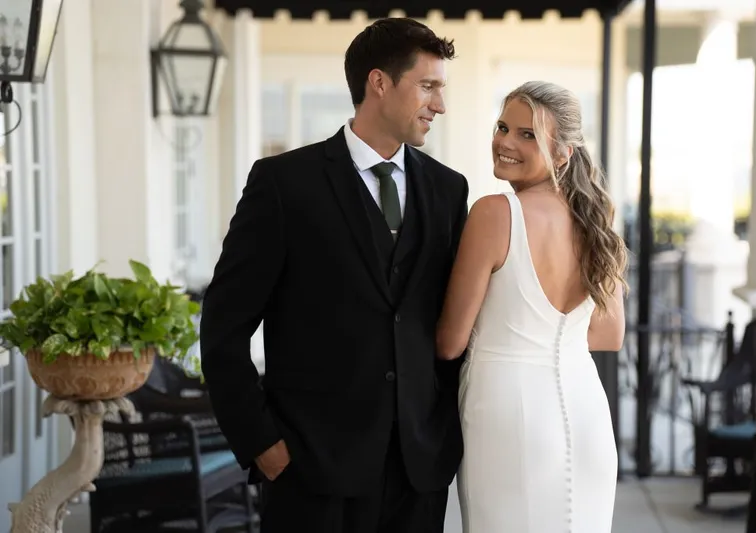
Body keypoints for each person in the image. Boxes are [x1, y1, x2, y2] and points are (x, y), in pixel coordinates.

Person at [199, 17, 469, 533]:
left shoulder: (448, 190)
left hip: (417, 472)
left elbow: (451, 322)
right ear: (379, 83)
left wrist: (444, 436)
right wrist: (262, 444)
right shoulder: (283, 184)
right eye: (428, 86)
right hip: (309, 471)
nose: (439, 104)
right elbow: (222, 326)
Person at [436, 81, 627, 533]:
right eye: (503, 126)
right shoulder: (596, 220)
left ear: (563, 154)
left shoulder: (494, 213)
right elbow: (608, 335)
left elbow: (449, 342)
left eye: (527, 135)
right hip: (586, 410)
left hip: (508, 412)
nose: (504, 141)